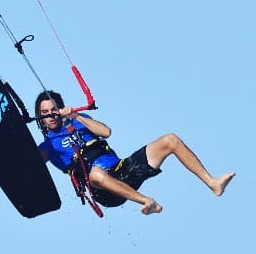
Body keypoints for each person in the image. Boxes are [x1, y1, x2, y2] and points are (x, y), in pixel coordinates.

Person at [34, 90, 235, 216]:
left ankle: (212, 183)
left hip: (122, 170)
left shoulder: (79, 120)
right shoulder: (48, 146)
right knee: (96, 173)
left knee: (170, 140)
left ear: (60, 109)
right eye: (45, 113)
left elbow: (106, 132)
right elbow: (31, 164)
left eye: (53, 109)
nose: (50, 115)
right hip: (103, 191)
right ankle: (147, 201)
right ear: (40, 118)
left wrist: (75, 115)